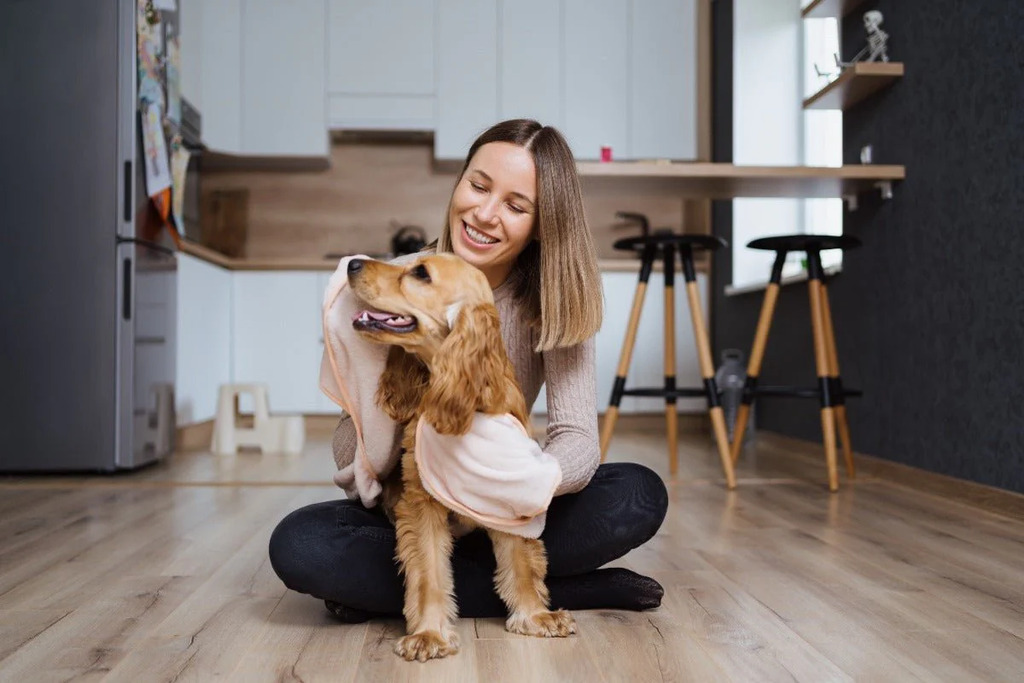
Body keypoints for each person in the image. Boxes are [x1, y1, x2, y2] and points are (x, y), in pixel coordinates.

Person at [269, 119, 668, 622]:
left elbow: (578, 440)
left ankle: (406, 594)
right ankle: (566, 589)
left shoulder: (554, 302)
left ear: (542, 224)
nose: (484, 213)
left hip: (509, 511)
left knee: (637, 494)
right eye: (478, 186)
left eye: (515, 205)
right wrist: (413, 358)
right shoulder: (397, 282)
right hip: (415, 513)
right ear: (458, 182)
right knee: (300, 545)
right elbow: (352, 457)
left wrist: (516, 481)